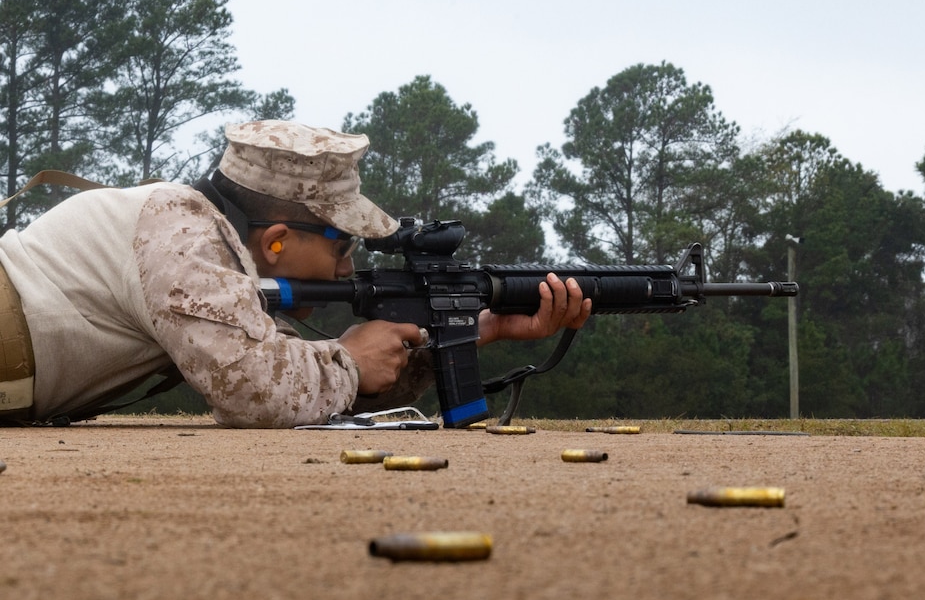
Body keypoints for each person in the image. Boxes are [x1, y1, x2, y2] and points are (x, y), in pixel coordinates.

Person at [0, 120, 591, 427]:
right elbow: (257, 392)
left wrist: (471, 333)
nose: (349, 265)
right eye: (343, 244)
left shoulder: (218, 264)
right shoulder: (181, 230)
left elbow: (306, 391)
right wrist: (348, 359)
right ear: (278, 241)